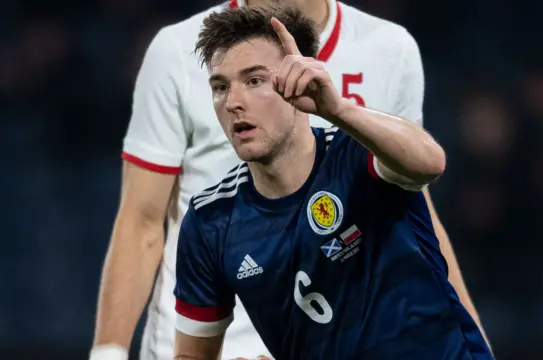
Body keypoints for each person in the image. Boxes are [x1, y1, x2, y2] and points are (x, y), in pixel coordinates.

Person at [90, 0, 489, 359]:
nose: (233, 102)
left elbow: (429, 163)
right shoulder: (212, 220)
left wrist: (340, 111)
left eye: (254, 80)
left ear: (295, 84)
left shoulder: (359, 155)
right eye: (219, 86)